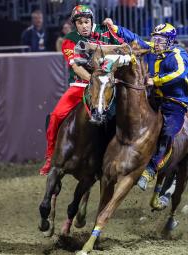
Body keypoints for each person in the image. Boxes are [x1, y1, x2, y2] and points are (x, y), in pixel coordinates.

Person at [104, 20, 188, 190]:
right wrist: (114, 27)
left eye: (161, 39)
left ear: (170, 41)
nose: (157, 43)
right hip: (155, 97)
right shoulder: (153, 47)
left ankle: (151, 170)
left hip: (175, 102)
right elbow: (135, 38)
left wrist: (156, 80)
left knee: (168, 132)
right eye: (156, 39)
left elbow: (180, 74)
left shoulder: (178, 54)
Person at [39, 5, 125, 175]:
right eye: (80, 23)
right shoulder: (69, 40)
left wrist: (114, 29)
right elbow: (77, 69)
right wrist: (95, 82)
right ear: (75, 25)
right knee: (56, 116)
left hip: (109, 87)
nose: (84, 25)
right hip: (80, 87)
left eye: (87, 21)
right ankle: (51, 157)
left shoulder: (105, 31)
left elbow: (123, 47)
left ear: (92, 21)